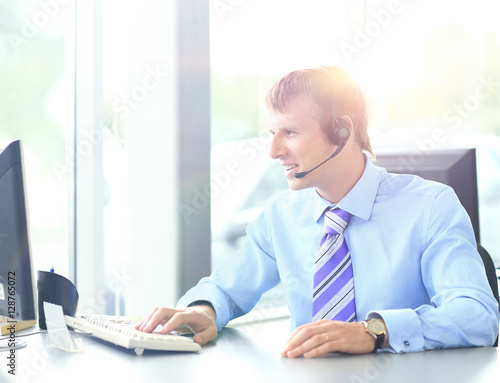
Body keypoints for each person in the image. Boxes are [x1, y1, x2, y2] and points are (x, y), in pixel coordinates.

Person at [136, 65, 499, 357]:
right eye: (272, 133)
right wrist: (203, 311)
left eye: (290, 132)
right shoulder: (281, 215)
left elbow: (478, 315)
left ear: (342, 131)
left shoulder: (431, 206)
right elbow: (227, 289)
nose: (274, 151)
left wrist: (375, 332)